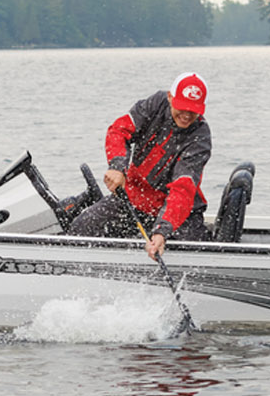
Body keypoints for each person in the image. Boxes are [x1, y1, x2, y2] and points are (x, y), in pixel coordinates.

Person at [65, 73, 212, 258]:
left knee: (192, 253)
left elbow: (182, 189)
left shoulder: (200, 138)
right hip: (132, 199)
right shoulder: (155, 105)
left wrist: (161, 231)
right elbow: (118, 131)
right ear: (170, 97)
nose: (187, 115)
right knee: (82, 228)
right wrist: (117, 166)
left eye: (193, 110)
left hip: (180, 215)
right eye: (182, 107)